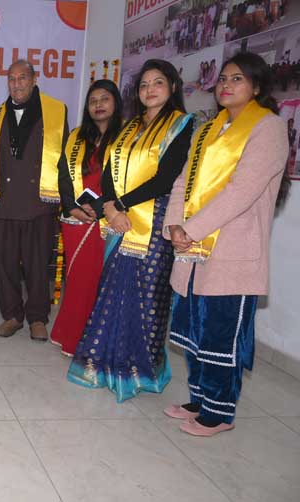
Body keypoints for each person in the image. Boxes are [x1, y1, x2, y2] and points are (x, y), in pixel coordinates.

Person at [164, 52, 290, 436]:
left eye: (237, 79)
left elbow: (241, 191)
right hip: (192, 248)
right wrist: (174, 226)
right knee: (195, 331)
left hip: (231, 251)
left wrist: (191, 229)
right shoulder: (207, 130)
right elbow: (183, 183)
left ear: (256, 86)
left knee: (221, 333)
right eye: (222, 78)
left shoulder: (268, 128)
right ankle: (200, 398)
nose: (226, 85)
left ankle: (219, 412)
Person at [67, 59, 194, 402]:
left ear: (173, 87)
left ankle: (139, 372)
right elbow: (109, 171)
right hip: (118, 220)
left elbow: (165, 178)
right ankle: (103, 365)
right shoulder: (129, 127)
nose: (150, 90)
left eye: (157, 83)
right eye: (144, 85)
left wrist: (119, 205)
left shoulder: (181, 125)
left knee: (147, 297)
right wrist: (110, 207)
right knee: (113, 292)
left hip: (154, 223)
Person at [0, 59, 69, 341]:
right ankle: (12, 315)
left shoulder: (55, 111)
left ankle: (37, 318)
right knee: (5, 263)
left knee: (37, 264)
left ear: (34, 80)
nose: (16, 83)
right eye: (11, 79)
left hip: (39, 202)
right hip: (5, 201)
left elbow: (63, 159)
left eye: (22, 78)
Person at [50, 80, 123, 356]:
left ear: (115, 102)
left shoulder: (126, 136)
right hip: (76, 218)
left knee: (96, 280)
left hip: (107, 217)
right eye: (93, 100)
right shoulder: (76, 137)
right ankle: (68, 334)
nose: (98, 105)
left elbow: (127, 178)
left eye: (104, 99)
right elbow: (63, 174)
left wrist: (99, 207)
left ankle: (88, 338)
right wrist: (71, 207)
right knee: (77, 279)